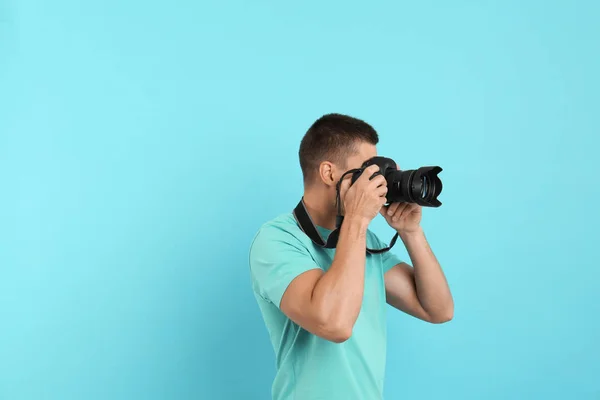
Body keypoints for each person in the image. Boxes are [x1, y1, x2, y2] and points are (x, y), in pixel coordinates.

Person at [249, 113, 454, 400]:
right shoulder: (277, 239)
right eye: (366, 171)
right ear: (329, 173)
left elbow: (438, 310)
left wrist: (411, 232)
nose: (375, 183)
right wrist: (357, 219)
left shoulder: (364, 242)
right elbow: (335, 325)